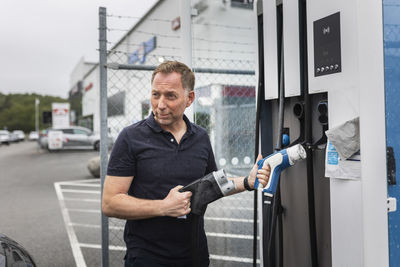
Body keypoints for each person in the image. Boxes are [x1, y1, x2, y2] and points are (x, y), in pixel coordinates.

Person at [102, 61, 270, 267]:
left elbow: (212, 184)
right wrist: (164, 207)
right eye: (156, 95)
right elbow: (110, 202)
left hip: (195, 255)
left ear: (189, 98)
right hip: (147, 258)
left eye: (170, 96)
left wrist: (247, 181)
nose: (160, 104)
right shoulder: (131, 137)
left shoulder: (200, 136)